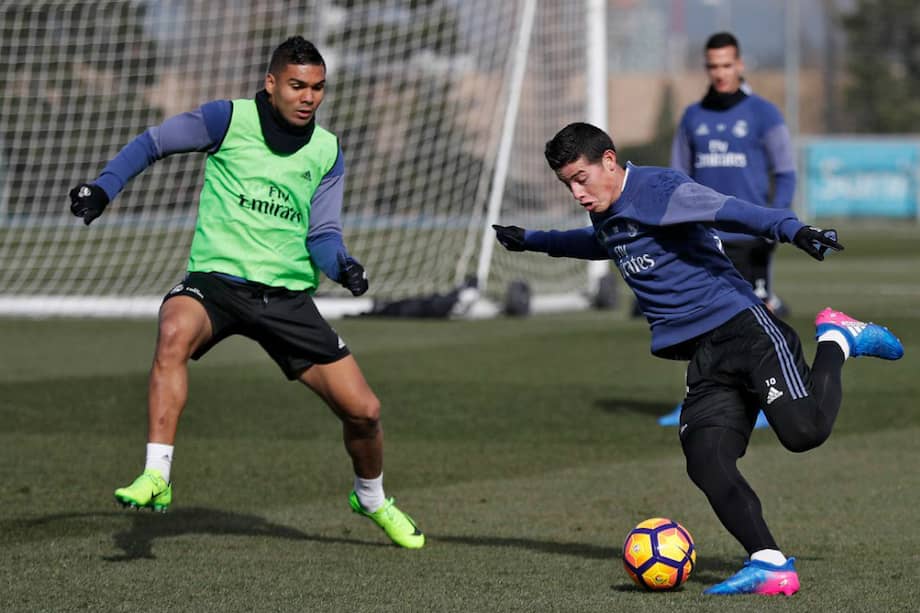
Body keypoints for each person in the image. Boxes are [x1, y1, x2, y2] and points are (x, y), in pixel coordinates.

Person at [492, 122, 903, 595]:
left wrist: (792, 228)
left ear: (609, 160)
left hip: (745, 331)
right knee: (706, 458)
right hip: (704, 355)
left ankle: (838, 339)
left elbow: (729, 211)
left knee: (804, 432)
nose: (577, 193)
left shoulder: (658, 189)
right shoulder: (605, 209)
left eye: (581, 177)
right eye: (568, 184)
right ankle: (769, 562)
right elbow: (601, 243)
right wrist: (533, 240)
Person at [68, 36, 424, 549]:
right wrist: (103, 188)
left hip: (285, 300)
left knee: (365, 411)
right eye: (298, 85)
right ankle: (157, 475)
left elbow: (322, 235)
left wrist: (343, 268)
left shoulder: (327, 150)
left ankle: (371, 497)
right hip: (216, 283)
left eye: (318, 88)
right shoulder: (226, 120)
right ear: (272, 83)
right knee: (172, 331)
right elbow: (152, 144)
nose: (309, 97)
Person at [659, 31, 796, 428]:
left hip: (750, 237)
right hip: (703, 236)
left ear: (740, 65)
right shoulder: (692, 117)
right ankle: (694, 400)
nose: (719, 73)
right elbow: (677, 176)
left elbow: (785, 172)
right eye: (712, 66)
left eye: (726, 65)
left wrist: (775, 221)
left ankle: (764, 402)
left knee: (757, 320)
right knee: (697, 318)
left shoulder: (764, 114)